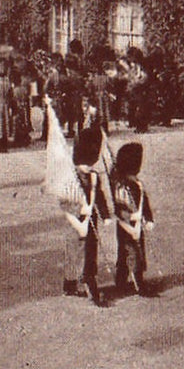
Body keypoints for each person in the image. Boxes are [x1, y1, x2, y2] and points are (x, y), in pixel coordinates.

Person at [62, 126, 112, 307]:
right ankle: (70, 283)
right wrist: (77, 215)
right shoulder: (71, 178)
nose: (88, 167)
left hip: (91, 222)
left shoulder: (93, 176)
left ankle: (89, 280)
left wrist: (105, 214)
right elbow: (65, 201)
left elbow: (99, 196)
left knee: (90, 250)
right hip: (76, 221)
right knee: (75, 252)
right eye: (86, 164)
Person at [111, 141, 156, 297]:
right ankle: (138, 284)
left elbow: (144, 203)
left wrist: (147, 217)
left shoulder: (133, 183)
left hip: (131, 224)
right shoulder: (122, 184)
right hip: (127, 224)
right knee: (133, 252)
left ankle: (122, 281)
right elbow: (119, 207)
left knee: (129, 252)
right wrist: (135, 216)